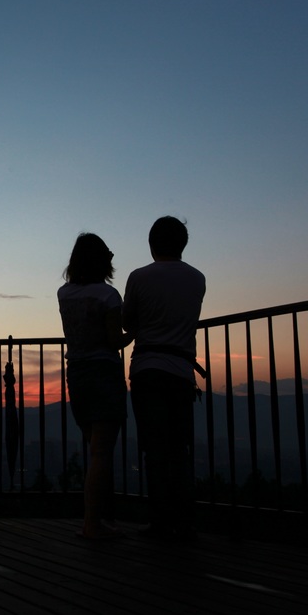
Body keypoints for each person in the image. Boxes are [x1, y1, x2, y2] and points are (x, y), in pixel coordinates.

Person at [122, 216, 205, 541]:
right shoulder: (197, 278)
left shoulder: (139, 277)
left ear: (151, 243)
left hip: (147, 368)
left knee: (154, 449)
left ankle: (159, 520)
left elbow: (128, 322)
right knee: (179, 448)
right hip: (181, 371)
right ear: (182, 244)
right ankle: (185, 520)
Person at [57, 232, 132, 539]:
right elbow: (115, 340)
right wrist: (137, 331)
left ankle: (98, 520)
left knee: (94, 448)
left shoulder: (64, 293)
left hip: (76, 372)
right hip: (103, 372)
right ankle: (92, 524)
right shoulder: (108, 296)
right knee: (102, 452)